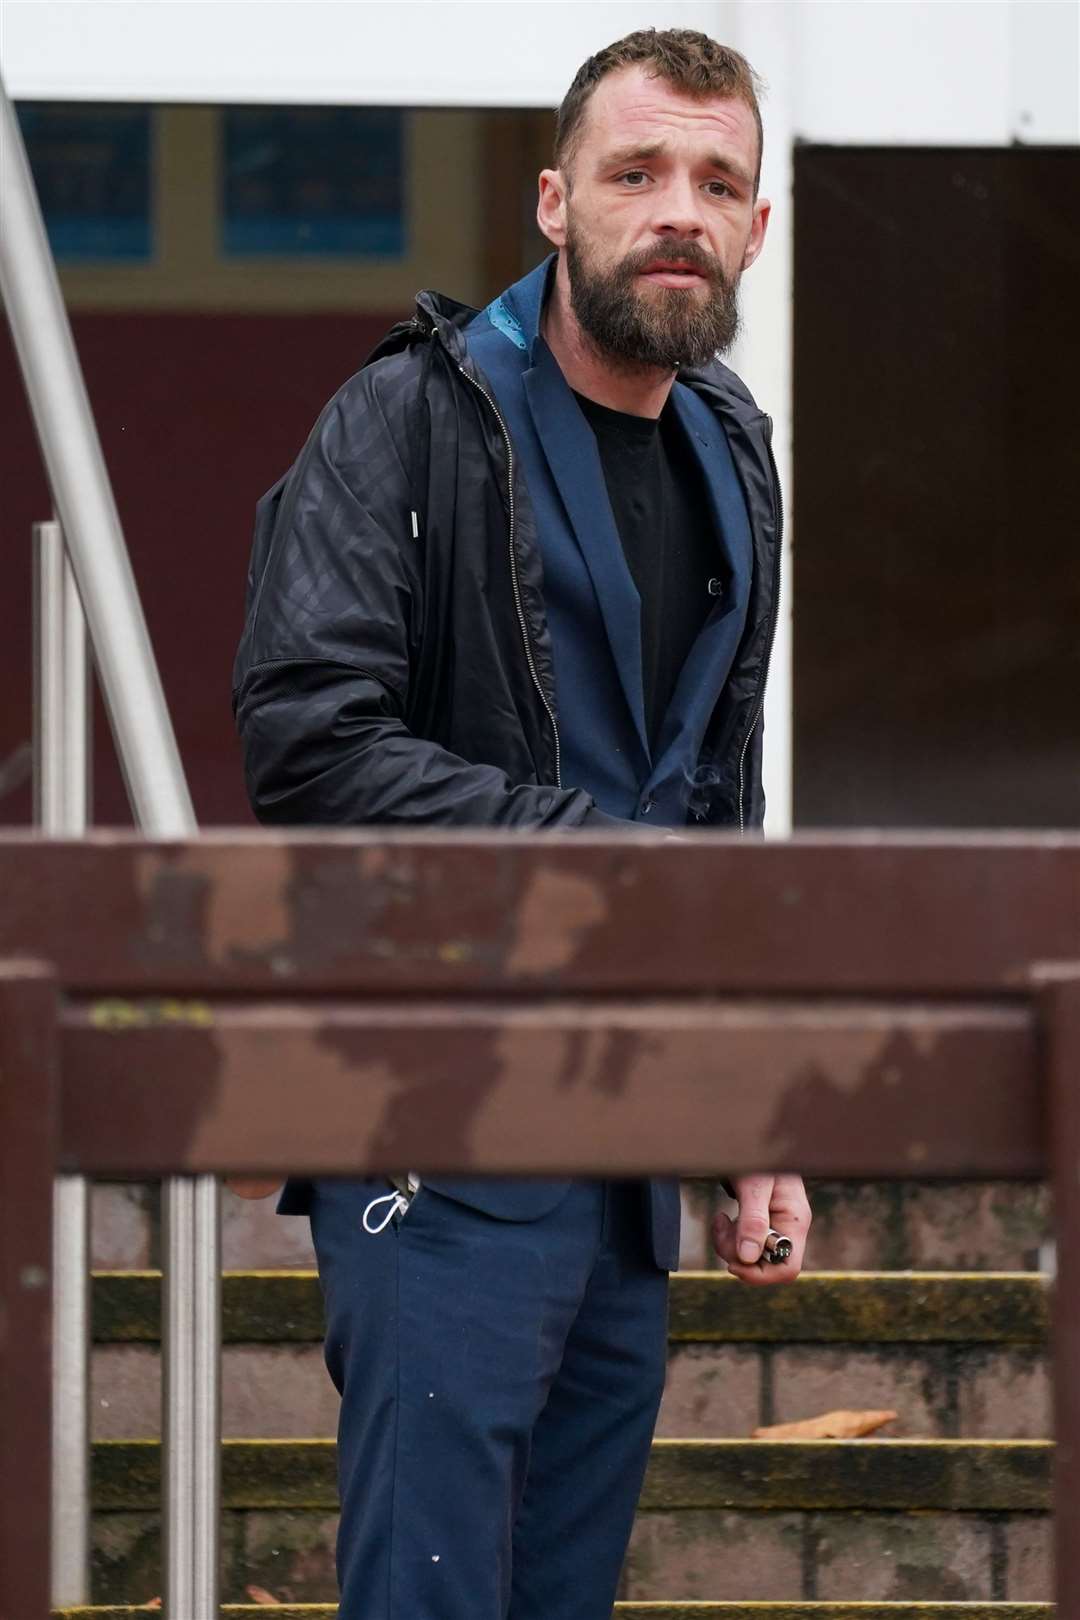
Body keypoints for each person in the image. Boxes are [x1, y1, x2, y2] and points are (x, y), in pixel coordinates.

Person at [230, 27, 812, 1620]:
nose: (675, 210)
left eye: (716, 183)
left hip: (630, 1147)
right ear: (557, 203)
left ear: (756, 229)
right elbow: (305, 738)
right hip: (438, 1121)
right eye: (636, 174)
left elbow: (718, 804)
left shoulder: (736, 455)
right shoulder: (406, 418)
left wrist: (749, 1094)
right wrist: (581, 846)